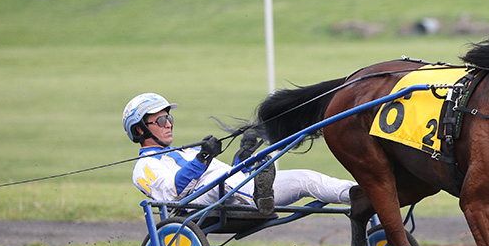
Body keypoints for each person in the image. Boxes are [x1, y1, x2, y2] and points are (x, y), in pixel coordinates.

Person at [122, 93, 354, 213]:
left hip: (234, 191)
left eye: (169, 117)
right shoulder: (143, 167)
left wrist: (242, 157)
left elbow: (231, 175)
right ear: (140, 129)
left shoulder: (187, 151)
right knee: (218, 180)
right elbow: (172, 193)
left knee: (306, 178)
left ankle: (359, 194)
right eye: (161, 120)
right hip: (196, 205)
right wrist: (203, 158)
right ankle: (258, 195)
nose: (168, 124)